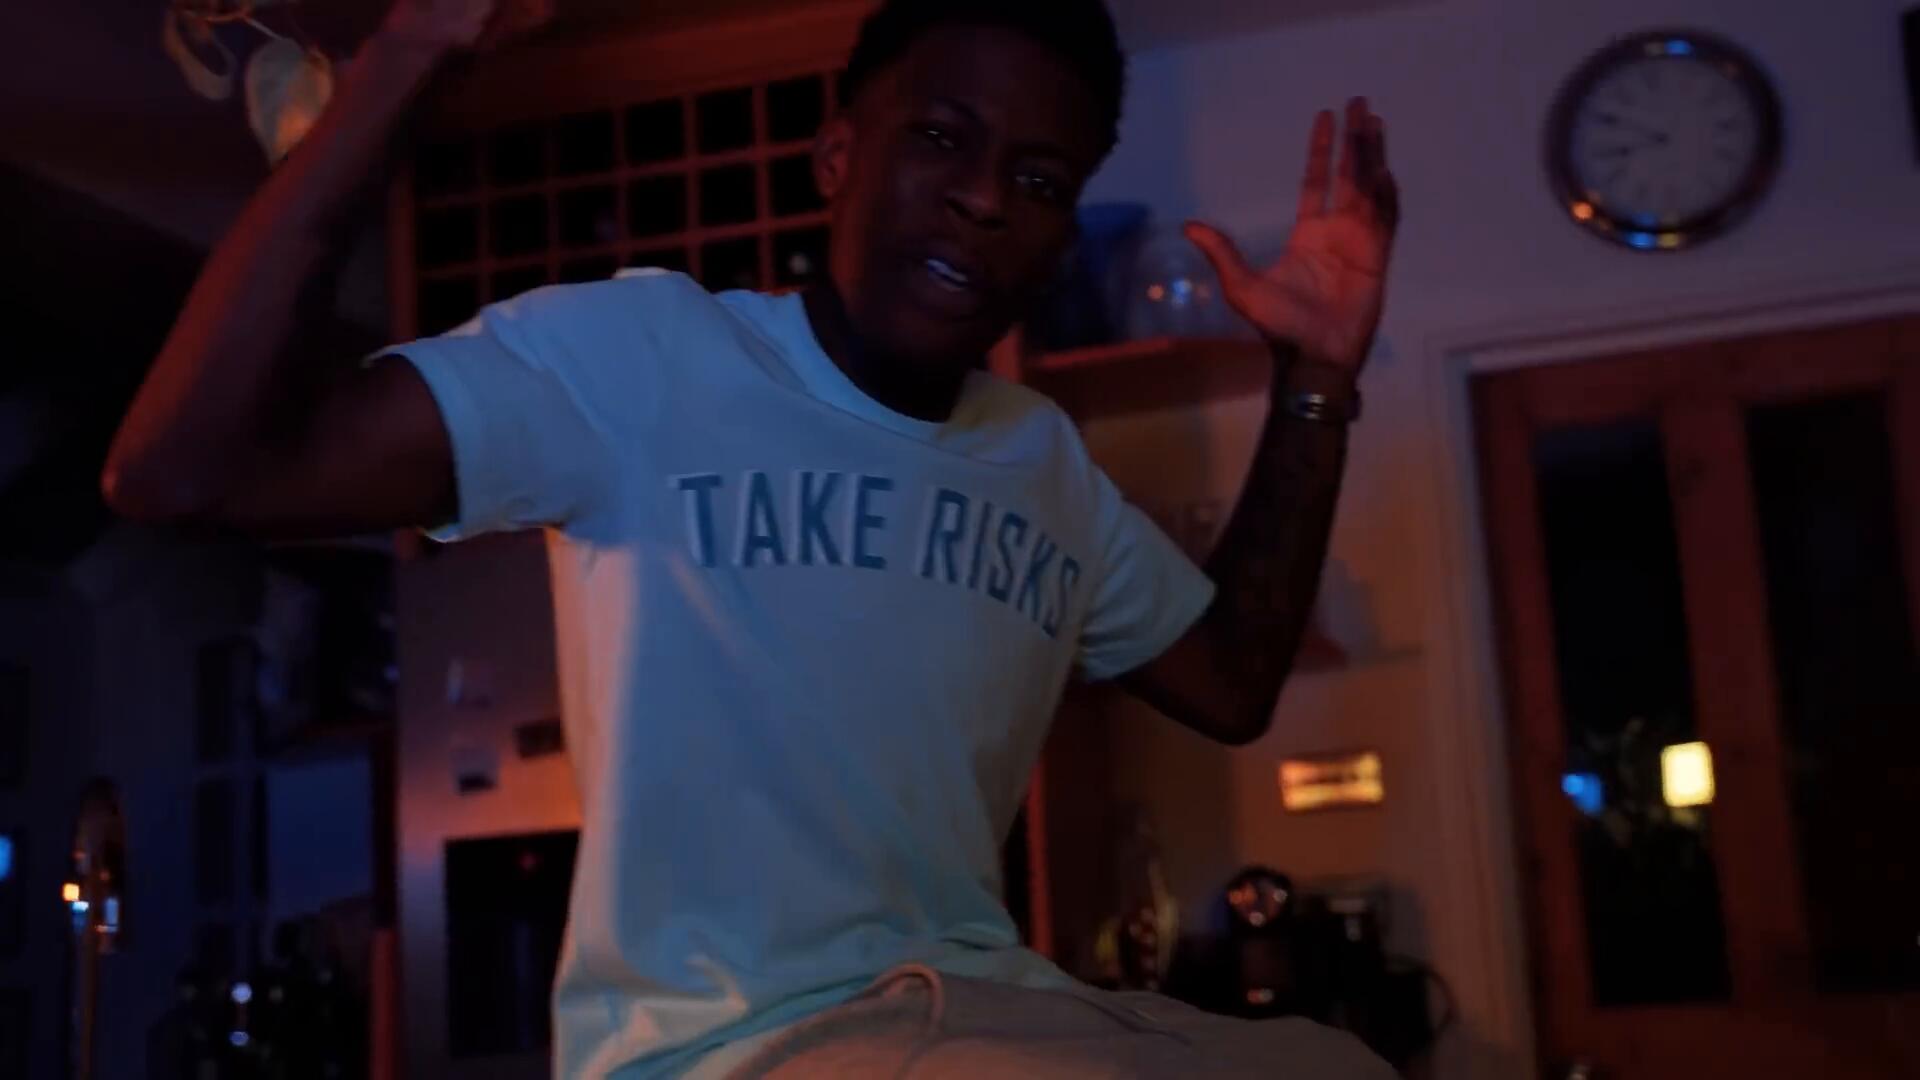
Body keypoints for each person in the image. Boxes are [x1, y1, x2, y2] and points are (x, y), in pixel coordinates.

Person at [104, 0, 1401, 1074]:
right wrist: (406, 58)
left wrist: (1314, 381)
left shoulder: (1042, 460)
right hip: (727, 1048)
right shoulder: (644, 358)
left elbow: (1232, 680)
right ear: (836, 155)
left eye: (1038, 180)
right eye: (941, 138)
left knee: (1339, 1064)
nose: (983, 200)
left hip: (978, 1011)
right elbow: (183, 471)